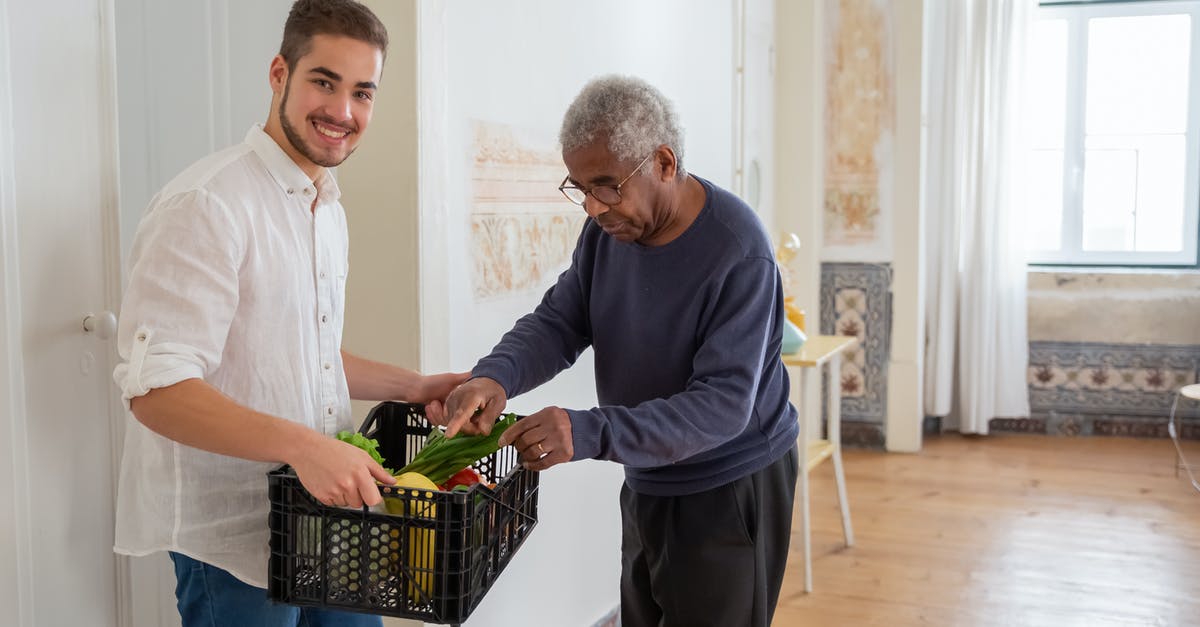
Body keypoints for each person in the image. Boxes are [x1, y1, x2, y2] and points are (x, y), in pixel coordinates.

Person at [111, 1, 465, 625]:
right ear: (279, 74)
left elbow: (303, 348)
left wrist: (415, 385)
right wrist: (305, 447)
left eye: (363, 92)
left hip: (328, 516)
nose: (343, 112)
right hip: (233, 537)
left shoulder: (324, 204)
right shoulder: (208, 204)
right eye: (324, 82)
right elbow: (155, 391)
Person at [437, 75, 800, 627]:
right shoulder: (608, 233)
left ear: (664, 163)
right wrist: (496, 376)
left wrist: (587, 432)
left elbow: (724, 405)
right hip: (649, 473)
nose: (591, 206)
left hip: (729, 488)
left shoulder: (739, 252)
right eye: (578, 187)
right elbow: (560, 321)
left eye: (606, 185)